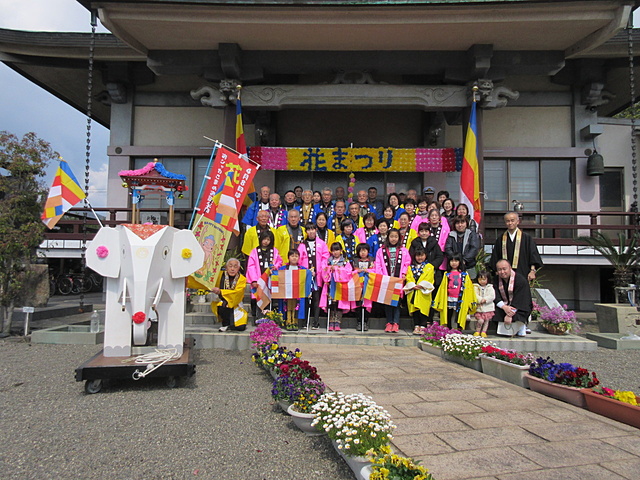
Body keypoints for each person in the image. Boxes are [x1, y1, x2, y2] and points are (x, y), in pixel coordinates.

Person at [374, 228, 411, 333]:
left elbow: (407, 263)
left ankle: (396, 322)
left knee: (397, 302)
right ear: (388, 237)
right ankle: (389, 322)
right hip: (386, 279)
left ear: (399, 237)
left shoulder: (403, 250)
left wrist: (404, 273)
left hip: (398, 279)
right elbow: (378, 264)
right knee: (388, 302)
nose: (393, 239)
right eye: (391, 236)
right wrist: (382, 276)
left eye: (396, 236)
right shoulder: (381, 250)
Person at [490, 212, 543, 282]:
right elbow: (495, 258)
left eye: (512, 220)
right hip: (504, 276)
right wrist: (496, 271)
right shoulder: (500, 239)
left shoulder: (526, 238)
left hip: (523, 274)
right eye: (507, 221)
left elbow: (533, 256)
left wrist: (532, 271)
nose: (510, 223)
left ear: (518, 221)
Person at [298, 223, 330, 329]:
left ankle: (316, 321)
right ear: (306, 232)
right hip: (306, 276)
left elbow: (325, 258)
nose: (311, 232)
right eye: (308, 230)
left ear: (316, 230)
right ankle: (304, 321)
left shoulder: (321, 243)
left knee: (317, 298)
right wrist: (305, 271)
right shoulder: (302, 245)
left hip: (318, 275)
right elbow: (299, 259)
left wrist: (320, 270)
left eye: (313, 229)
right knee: (306, 299)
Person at [433, 253, 476, 330]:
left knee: (459, 313)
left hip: (460, 297)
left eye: (456, 260)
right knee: (449, 313)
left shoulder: (464, 274)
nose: (454, 263)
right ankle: (448, 327)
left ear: (460, 262)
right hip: (449, 297)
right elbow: (442, 287)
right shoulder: (447, 274)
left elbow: (469, 288)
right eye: (452, 261)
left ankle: (459, 328)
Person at [246, 230, 283, 318]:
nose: (266, 241)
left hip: (269, 280)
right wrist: (254, 280)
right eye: (264, 239)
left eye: (268, 240)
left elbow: (279, 261)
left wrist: (275, 266)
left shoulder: (274, 251)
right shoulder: (254, 251)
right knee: (257, 299)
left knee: (270, 299)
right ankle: (257, 318)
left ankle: (269, 318)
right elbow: (251, 266)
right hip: (259, 280)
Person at [494, 259, 532, 336]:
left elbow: (521, 298)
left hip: (518, 306)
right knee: (494, 310)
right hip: (504, 306)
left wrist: (509, 314)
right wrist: (504, 307)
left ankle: (521, 326)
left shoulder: (520, 280)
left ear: (510, 268)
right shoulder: (495, 280)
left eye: (504, 269)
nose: (502, 272)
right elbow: (495, 295)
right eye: (499, 269)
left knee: (521, 311)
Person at [321, 242, 355, 331]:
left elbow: (348, 272)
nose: (335, 252)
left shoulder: (345, 261)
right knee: (331, 303)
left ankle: (338, 322)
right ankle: (331, 321)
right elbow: (323, 270)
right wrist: (329, 269)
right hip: (330, 284)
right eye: (333, 250)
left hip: (340, 285)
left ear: (341, 251)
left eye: (337, 250)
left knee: (339, 303)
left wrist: (337, 269)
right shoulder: (328, 261)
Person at [211, 258, 248, 332]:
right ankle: (226, 324)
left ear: (238, 268)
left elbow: (237, 293)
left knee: (241, 327)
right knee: (223, 304)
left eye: (235, 267)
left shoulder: (242, 279)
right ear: (226, 267)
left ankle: (229, 326)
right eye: (230, 266)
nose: (232, 269)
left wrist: (221, 292)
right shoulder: (220, 275)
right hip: (222, 301)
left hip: (236, 304)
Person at [406, 247, 435, 335]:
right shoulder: (410, 267)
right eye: (418, 256)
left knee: (423, 309)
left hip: (423, 292)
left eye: (422, 255)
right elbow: (409, 277)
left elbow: (429, 278)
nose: (420, 258)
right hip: (413, 291)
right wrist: (412, 285)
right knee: (415, 310)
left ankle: (423, 326)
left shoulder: (429, 267)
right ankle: (416, 325)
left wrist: (421, 285)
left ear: (425, 256)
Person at [277, 249, 309, 331]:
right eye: (292, 256)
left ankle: (295, 322)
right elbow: (277, 276)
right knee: (288, 307)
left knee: (296, 307)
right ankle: (288, 321)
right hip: (287, 292)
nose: (294, 258)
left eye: (296, 256)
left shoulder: (302, 269)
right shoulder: (283, 268)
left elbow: (307, 276)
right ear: (288, 257)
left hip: (297, 292)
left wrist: (310, 273)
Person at [353, 243, 375, 331]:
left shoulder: (372, 260)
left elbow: (374, 270)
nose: (362, 253)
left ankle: (365, 322)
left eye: (364, 251)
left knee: (367, 304)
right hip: (358, 285)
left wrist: (368, 270)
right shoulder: (355, 261)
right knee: (358, 304)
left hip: (368, 285)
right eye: (361, 251)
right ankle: (359, 322)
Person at [473, 270, 495, 337]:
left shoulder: (490, 287)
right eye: (480, 279)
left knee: (486, 321)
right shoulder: (475, 287)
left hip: (488, 307)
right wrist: (480, 299)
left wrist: (486, 300)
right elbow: (475, 295)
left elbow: (492, 296)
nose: (482, 281)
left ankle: (484, 331)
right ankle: (477, 331)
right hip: (479, 307)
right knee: (480, 320)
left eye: (484, 279)